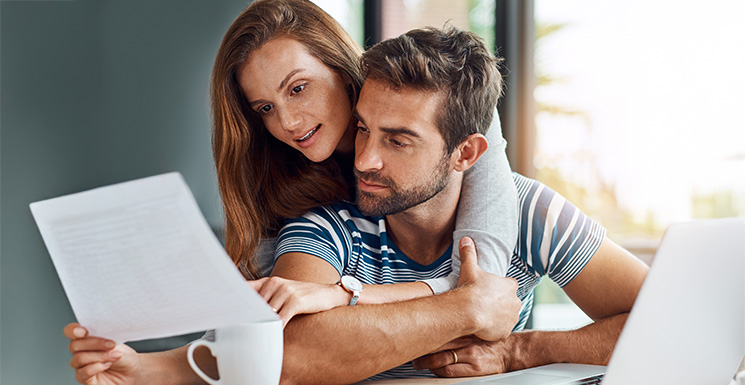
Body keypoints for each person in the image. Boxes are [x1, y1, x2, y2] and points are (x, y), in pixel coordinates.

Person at [63, 0, 520, 384]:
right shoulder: (289, 196)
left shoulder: (437, 109)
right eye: (265, 107)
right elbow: (284, 345)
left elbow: (483, 275)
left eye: (298, 88)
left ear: (343, 67)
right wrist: (148, 369)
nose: (287, 123)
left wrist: (347, 296)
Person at [246, 26, 649, 383]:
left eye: (398, 140)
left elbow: (669, 319)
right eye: (363, 129)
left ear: (466, 153)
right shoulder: (328, 225)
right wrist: (469, 307)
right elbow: (288, 357)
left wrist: (520, 351)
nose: (363, 160)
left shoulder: (528, 210)